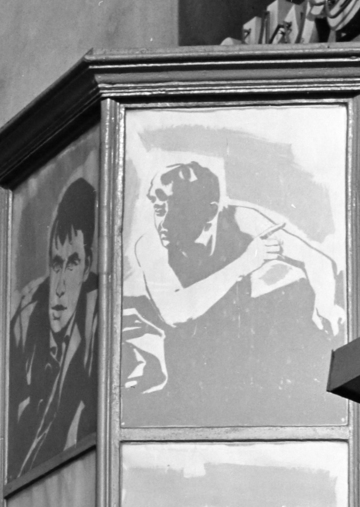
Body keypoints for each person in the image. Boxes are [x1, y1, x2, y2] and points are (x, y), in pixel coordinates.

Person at [122, 159, 344, 425]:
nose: (164, 220)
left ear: (210, 210)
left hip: (241, 349)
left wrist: (325, 305)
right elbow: (176, 312)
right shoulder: (150, 245)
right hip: (190, 366)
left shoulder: (241, 219)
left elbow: (317, 260)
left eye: (178, 207)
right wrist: (245, 263)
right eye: (158, 206)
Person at [8, 176, 100, 481]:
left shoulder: (96, 319)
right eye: (56, 264)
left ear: (87, 268)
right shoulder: (25, 321)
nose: (59, 287)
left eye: (72, 264)